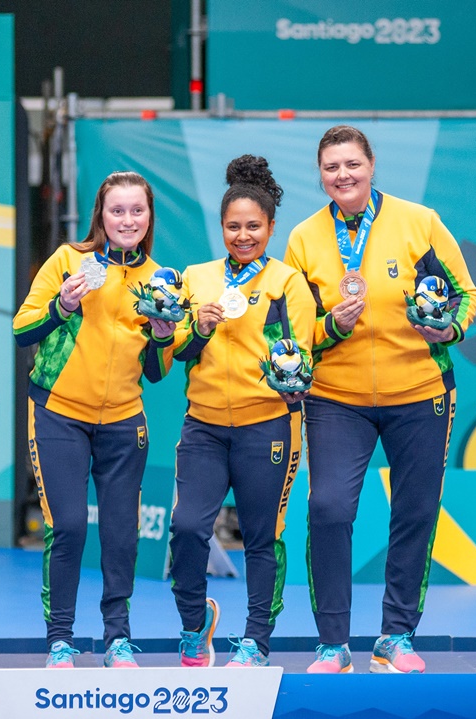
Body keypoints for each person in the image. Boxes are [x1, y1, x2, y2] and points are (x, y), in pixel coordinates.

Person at [283, 125, 476, 674]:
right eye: (331, 167)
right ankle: (332, 644)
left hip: (419, 391)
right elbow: (293, 327)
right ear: (319, 174)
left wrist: (448, 330)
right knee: (328, 511)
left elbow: (465, 294)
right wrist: (328, 325)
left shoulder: (420, 222)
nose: (342, 175)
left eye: (351, 164)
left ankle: (396, 637)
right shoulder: (304, 237)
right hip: (336, 397)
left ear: (372, 165)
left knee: (414, 511)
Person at [154, 155, 315, 668]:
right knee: (185, 528)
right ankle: (194, 624)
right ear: (220, 227)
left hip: (267, 425)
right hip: (203, 426)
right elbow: (177, 349)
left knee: (262, 537)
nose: (242, 235)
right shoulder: (195, 278)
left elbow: (302, 354)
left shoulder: (287, 283)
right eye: (232, 226)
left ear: (270, 227)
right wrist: (196, 327)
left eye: (253, 226)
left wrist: (291, 376)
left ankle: (256, 640)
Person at [13, 171, 170, 669]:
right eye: (117, 210)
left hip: (125, 420)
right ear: (100, 215)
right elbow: (22, 329)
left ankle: (117, 637)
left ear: (149, 218)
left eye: (137, 211)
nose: (127, 220)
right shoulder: (67, 260)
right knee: (71, 527)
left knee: (122, 532)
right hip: (59, 413)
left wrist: (164, 337)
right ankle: (61, 638)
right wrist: (63, 305)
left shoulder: (161, 279)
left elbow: (157, 371)